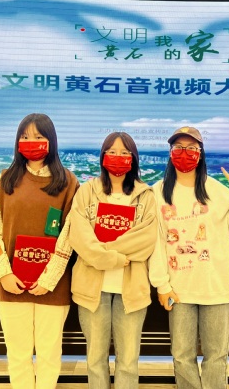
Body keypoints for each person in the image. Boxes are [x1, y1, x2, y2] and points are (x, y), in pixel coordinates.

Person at [149, 126, 229, 389]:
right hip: (178, 290)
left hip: (216, 288)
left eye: (191, 148)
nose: (184, 153)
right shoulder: (157, 192)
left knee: (216, 357)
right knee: (181, 356)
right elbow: (156, 243)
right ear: (170, 153)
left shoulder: (217, 191)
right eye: (178, 148)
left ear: (201, 153)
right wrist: (162, 285)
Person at [0, 113, 79, 389]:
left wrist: (49, 278)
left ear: (51, 141)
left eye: (38, 136)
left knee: (49, 353)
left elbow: (70, 235)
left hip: (52, 285)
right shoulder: (5, 180)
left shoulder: (68, 182)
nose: (31, 141)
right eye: (25, 136)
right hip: (11, 283)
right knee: (18, 354)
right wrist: (4, 274)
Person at [68, 132, 157, 388]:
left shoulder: (146, 196)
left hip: (132, 290)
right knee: (95, 359)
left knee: (128, 360)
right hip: (91, 290)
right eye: (112, 152)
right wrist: (115, 257)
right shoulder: (86, 192)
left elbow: (145, 241)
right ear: (103, 156)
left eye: (125, 153)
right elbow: (79, 238)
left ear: (134, 158)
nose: (118, 157)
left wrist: (101, 253)